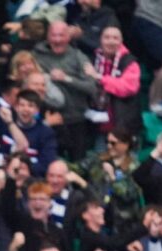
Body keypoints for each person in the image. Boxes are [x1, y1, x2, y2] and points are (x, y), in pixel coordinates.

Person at [33, 21, 98, 161]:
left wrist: (67, 78)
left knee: (78, 163)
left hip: (76, 120)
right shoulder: (36, 56)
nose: (57, 40)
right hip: (50, 120)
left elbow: (92, 87)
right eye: (53, 35)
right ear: (47, 37)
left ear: (68, 37)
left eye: (61, 35)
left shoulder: (78, 57)